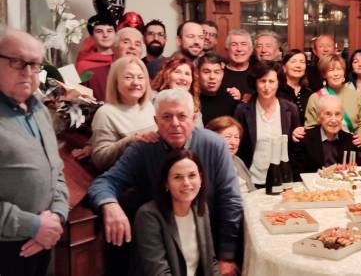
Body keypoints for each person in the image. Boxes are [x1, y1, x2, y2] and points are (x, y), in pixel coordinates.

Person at [87, 88, 242, 276]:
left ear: (193, 119)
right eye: (167, 117)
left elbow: (231, 199)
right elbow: (104, 182)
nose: (175, 124)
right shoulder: (144, 149)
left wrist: (227, 256)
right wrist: (109, 205)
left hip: (208, 243)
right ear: (156, 121)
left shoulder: (214, 144)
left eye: (182, 116)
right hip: (161, 248)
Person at [0, 27, 69, 276]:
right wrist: (34, 225)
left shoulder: (38, 108)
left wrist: (56, 218)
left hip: (43, 242)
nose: (28, 72)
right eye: (17, 62)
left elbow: (56, 170)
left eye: (35, 64)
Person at [132, 149, 221, 276]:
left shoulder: (201, 209)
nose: (186, 183)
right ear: (166, 183)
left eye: (192, 175)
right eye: (177, 177)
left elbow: (210, 262)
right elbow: (158, 272)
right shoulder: (148, 215)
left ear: (200, 178)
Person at [233, 61, 301, 184]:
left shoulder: (290, 109)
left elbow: (296, 144)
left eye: (271, 81)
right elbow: (239, 147)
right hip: (251, 178)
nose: (267, 87)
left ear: (278, 83)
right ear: (255, 83)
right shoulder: (243, 110)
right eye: (262, 81)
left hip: (283, 178)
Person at [89, 56, 158, 170]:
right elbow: (100, 160)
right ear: (115, 81)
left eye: (141, 77)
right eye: (128, 77)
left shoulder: (150, 106)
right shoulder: (105, 113)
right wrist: (132, 140)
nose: (136, 82)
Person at [292, 95, 361, 175]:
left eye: (337, 114)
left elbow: (357, 172)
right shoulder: (304, 139)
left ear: (342, 117)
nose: (333, 120)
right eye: (328, 114)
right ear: (319, 117)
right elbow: (297, 175)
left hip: (343, 186)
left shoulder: (351, 141)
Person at [304, 54, 361, 145]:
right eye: (331, 70)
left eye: (339, 69)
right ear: (324, 74)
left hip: (350, 146)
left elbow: (360, 124)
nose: (336, 74)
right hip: (324, 148)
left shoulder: (355, 96)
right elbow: (310, 128)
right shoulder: (315, 98)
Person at [84, 27, 144, 101]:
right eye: (126, 42)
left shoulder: (144, 78)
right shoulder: (92, 75)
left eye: (137, 44)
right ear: (113, 47)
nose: (132, 47)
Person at [206, 116, 256, 193]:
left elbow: (252, 190)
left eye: (236, 137)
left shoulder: (237, 160)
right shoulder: (205, 165)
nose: (233, 142)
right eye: (228, 137)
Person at [151, 56, 204, 128]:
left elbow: (198, 135)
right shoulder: (151, 98)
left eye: (187, 74)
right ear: (166, 75)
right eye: (178, 72)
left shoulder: (194, 106)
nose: (183, 78)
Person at [198, 53, 239, 125]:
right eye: (206, 72)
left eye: (217, 72)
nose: (212, 77)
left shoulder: (231, 98)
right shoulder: (191, 100)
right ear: (197, 73)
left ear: (222, 74)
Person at [277, 49, 312, 125]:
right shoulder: (276, 91)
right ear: (284, 68)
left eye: (302, 62)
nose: (298, 66)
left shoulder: (309, 93)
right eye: (293, 61)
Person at [222, 29, 254, 101]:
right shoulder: (219, 73)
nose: (239, 49)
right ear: (227, 49)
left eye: (243, 44)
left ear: (251, 49)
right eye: (234, 44)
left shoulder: (257, 73)